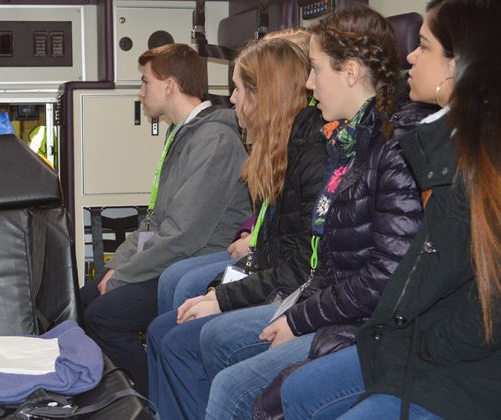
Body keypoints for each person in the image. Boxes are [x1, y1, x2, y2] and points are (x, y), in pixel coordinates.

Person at [153, 6, 426, 419]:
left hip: (360, 320)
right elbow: (323, 256)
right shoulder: (345, 141)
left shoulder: (381, 147)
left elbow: (378, 273)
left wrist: (298, 318)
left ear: (350, 72)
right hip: (323, 299)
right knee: (187, 310)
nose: (310, 84)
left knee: (229, 378)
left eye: (316, 70)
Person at [281, 1, 501, 418]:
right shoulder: (440, 143)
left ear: (458, 65)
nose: (410, 57)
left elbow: (478, 312)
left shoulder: (477, 163)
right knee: (299, 393)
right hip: (414, 340)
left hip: (457, 368)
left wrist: (401, 343)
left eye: (423, 46)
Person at [146, 35, 327, 420]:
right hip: (275, 276)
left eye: (239, 88)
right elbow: (267, 253)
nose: (231, 99)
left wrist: (222, 299)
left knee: (187, 340)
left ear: (266, 96)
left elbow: (299, 267)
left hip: (297, 294)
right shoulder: (278, 151)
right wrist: (218, 291)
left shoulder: (310, 157)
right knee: (164, 330)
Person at [79, 43, 251, 396]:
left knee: (103, 316)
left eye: (145, 82)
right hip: (176, 256)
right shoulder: (183, 134)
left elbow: (183, 234)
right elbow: (155, 221)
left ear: (169, 85)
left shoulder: (215, 140)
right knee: (82, 300)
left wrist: (122, 276)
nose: (141, 92)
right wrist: (118, 265)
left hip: (196, 264)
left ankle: (151, 397)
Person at [156, 28, 313, 315]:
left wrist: (252, 247)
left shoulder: (308, 149)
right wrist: (250, 234)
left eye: (238, 89)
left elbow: (297, 253)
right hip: (261, 255)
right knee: (176, 283)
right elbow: (268, 216)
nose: (231, 99)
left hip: (281, 274)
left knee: (186, 291)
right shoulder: (274, 146)